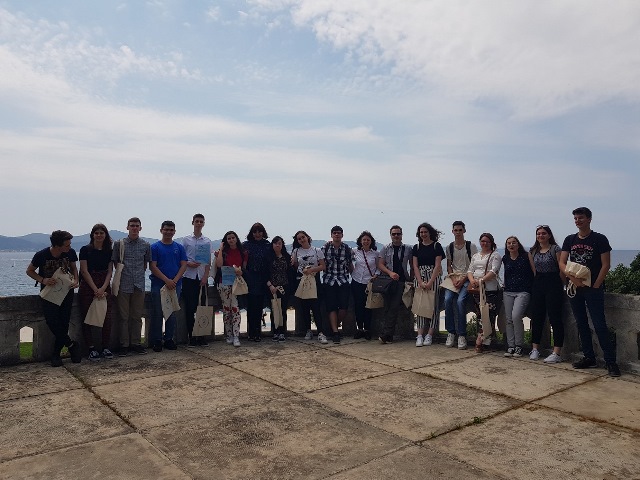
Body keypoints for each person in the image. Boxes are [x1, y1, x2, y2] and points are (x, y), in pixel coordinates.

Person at [560, 207, 620, 377]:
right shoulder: (570, 239)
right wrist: (573, 280)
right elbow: (562, 263)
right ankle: (589, 357)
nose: (577, 221)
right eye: (575, 218)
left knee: (599, 325)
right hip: (575, 287)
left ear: (589, 219)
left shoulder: (599, 239)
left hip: (593, 289)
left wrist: (596, 285)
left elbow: (606, 264)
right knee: (581, 323)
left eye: (581, 218)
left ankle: (610, 361)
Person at [26, 230, 81, 367]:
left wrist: (76, 280)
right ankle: (71, 345)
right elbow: (29, 271)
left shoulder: (70, 253)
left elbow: (74, 268)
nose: (70, 247)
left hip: (66, 292)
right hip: (49, 293)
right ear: (57, 246)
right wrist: (43, 279)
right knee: (52, 321)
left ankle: (56, 354)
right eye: (67, 245)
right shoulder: (41, 255)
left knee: (64, 323)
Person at [112, 217, 151, 356]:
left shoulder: (146, 245)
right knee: (123, 317)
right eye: (132, 225)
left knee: (137, 316)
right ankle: (124, 344)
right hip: (123, 283)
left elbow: (145, 264)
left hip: (139, 284)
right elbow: (115, 263)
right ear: (127, 227)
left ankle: (135, 343)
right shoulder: (119, 244)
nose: (134, 228)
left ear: (140, 228)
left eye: (137, 226)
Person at [149, 221, 188, 352]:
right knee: (157, 312)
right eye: (166, 229)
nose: (168, 232)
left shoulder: (179, 247)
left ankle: (169, 338)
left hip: (175, 285)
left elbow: (183, 265)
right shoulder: (155, 247)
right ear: (161, 230)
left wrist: (175, 280)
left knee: (171, 312)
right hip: (158, 284)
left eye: (171, 230)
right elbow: (153, 266)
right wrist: (166, 280)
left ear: (174, 232)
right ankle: (157, 340)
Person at [528, 225, 565, 363]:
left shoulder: (556, 249)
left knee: (555, 318)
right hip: (538, 283)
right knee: (537, 317)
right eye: (538, 233)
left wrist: (561, 285)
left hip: (553, 283)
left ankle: (556, 352)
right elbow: (534, 271)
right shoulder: (533, 251)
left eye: (543, 233)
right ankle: (535, 349)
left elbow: (561, 269)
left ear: (549, 235)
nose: (541, 235)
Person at [78, 224, 114, 361]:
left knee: (107, 318)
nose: (99, 235)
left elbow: (110, 271)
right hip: (88, 286)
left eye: (101, 233)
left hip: (104, 285)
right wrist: (95, 289)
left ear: (105, 235)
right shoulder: (85, 250)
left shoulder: (109, 251)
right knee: (87, 317)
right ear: (92, 235)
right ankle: (91, 348)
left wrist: (103, 288)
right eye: (96, 233)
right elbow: (84, 271)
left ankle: (105, 347)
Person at [444, 221, 477, 350]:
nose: (458, 232)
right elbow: (449, 265)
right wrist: (453, 278)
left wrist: (463, 280)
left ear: (464, 231)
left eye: (460, 230)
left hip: (467, 278)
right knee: (447, 300)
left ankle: (462, 334)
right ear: (452, 231)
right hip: (454, 277)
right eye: (455, 230)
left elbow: (473, 266)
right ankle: (451, 332)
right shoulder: (449, 247)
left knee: (460, 301)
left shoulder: (470, 246)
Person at [377, 225, 413, 344]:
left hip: (401, 281)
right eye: (394, 234)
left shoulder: (408, 249)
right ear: (391, 235)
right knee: (387, 308)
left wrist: (412, 279)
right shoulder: (386, 248)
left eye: (398, 234)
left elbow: (413, 265)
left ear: (401, 235)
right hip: (388, 281)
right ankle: (388, 336)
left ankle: (385, 334)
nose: (396, 236)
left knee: (393, 307)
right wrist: (390, 273)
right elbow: (380, 264)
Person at [467, 233, 502, 353]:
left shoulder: (495, 255)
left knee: (489, 315)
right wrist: (472, 281)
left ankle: (480, 341)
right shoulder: (476, 256)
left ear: (491, 242)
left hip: (490, 289)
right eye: (482, 241)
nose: (484, 243)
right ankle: (486, 342)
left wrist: (481, 280)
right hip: (477, 290)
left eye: (487, 241)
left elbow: (494, 271)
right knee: (480, 316)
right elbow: (470, 270)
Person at [291, 230, 327, 344]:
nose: (302, 240)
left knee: (316, 307)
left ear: (307, 237)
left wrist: (312, 270)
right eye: (299, 239)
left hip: (314, 281)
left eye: (303, 237)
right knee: (304, 307)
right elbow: (295, 265)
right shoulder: (296, 251)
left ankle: (321, 332)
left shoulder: (317, 250)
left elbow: (323, 266)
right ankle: (308, 330)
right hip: (302, 281)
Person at [412, 223, 445, 347]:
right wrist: (420, 281)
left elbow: (437, 265)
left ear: (430, 232)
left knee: (433, 307)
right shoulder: (416, 247)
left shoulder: (437, 246)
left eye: (425, 232)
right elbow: (415, 266)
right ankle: (420, 335)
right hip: (420, 277)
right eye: (421, 232)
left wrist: (431, 281)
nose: (423, 234)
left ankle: (429, 335)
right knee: (420, 307)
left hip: (433, 277)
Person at [182, 214, 212, 346]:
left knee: (202, 307)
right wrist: (189, 263)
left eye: (201, 221)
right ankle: (192, 336)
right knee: (190, 308)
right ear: (193, 222)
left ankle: (202, 336)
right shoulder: (186, 240)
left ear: (203, 224)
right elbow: (182, 259)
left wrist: (206, 276)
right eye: (197, 221)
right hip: (189, 277)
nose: (199, 223)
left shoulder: (207, 241)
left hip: (202, 278)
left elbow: (208, 261)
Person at [502, 236, 534, 358]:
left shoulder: (526, 256)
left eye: (513, 243)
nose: (511, 245)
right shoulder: (505, 258)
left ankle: (519, 345)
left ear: (518, 244)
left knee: (516, 316)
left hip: (523, 291)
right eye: (509, 243)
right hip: (508, 291)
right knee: (509, 319)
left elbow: (534, 272)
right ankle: (511, 346)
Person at [215, 231, 248, 347]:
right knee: (226, 310)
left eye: (233, 237)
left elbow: (244, 268)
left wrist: (241, 272)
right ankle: (229, 334)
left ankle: (236, 335)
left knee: (235, 309)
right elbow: (219, 265)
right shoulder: (223, 252)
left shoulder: (242, 252)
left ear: (236, 238)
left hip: (236, 283)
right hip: (223, 283)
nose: (231, 240)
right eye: (229, 238)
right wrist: (220, 249)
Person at [322, 226, 354, 344]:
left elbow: (350, 265)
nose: (337, 235)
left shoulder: (347, 249)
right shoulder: (325, 248)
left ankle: (334, 325)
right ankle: (335, 332)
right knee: (331, 307)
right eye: (334, 233)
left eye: (339, 233)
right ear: (331, 235)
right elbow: (321, 264)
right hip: (329, 280)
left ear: (342, 235)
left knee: (343, 308)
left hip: (343, 280)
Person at [242, 222, 271, 342]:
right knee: (250, 306)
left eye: (260, 231)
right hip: (249, 278)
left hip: (262, 278)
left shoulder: (267, 245)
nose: (257, 234)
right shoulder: (246, 245)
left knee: (259, 307)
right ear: (252, 233)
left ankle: (257, 332)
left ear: (263, 232)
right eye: (255, 232)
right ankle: (251, 332)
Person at [351, 231, 380, 340]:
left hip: (369, 282)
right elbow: (346, 258)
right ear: (360, 241)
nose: (366, 241)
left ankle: (367, 329)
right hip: (357, 281)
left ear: (371, 241)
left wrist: (375, 275)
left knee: (368, 306)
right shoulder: (355, 251)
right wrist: (351, 271)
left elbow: (379, 267)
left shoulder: (375, 253)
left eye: (368, 240)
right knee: (358, 306)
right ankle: (359, 329)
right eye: (364, 240)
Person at [266, 236, 293, 342]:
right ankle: (275, 331)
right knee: (274, 310)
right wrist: (270, 286)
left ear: (282, 245)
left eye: (280, 243)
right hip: (272, 287)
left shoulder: (287, 257)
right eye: (275, 243)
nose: (278, 245)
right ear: (272, 245)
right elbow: (264, 274)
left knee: (283, 310)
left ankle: (282, 332)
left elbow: (290, 272)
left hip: (284, 286)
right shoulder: (268, 257)